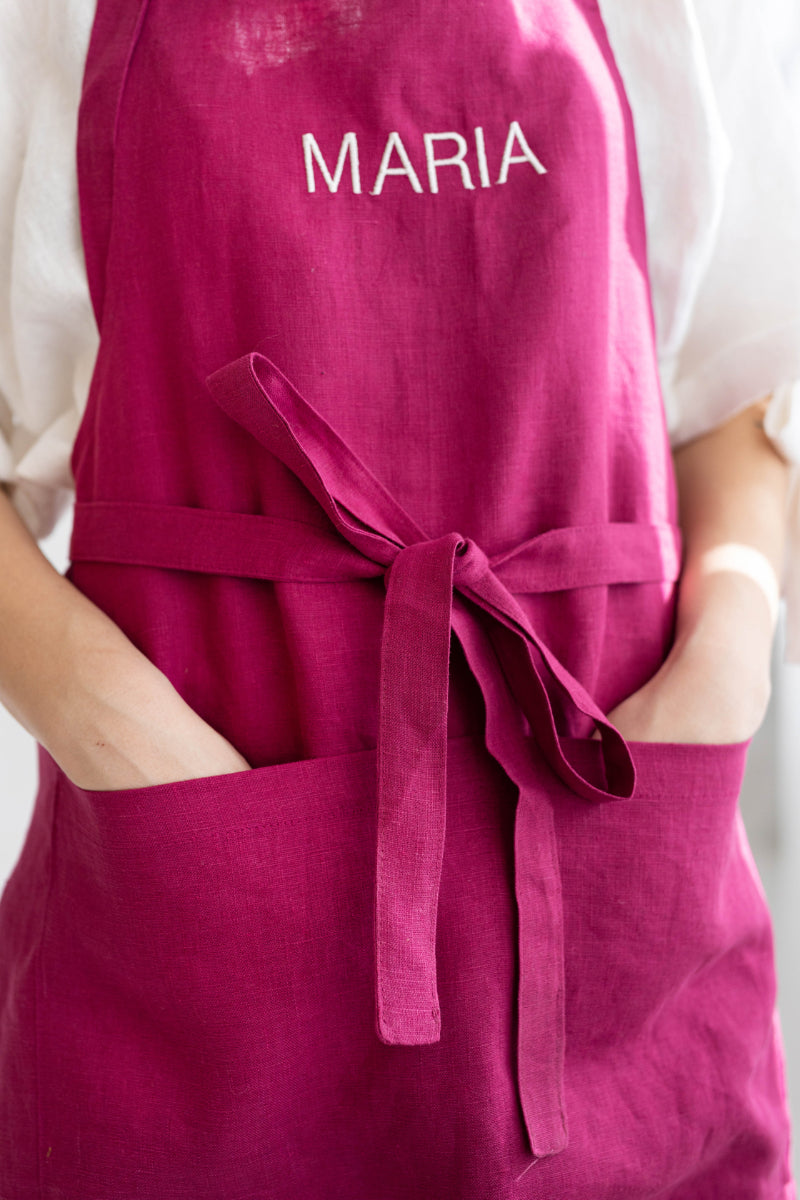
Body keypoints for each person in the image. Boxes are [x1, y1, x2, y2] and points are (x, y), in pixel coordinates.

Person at [0, 0, 799, 1195]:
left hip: (610, 855)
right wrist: (120, 732)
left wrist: (727, 651)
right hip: (199, 919)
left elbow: (735, 388)